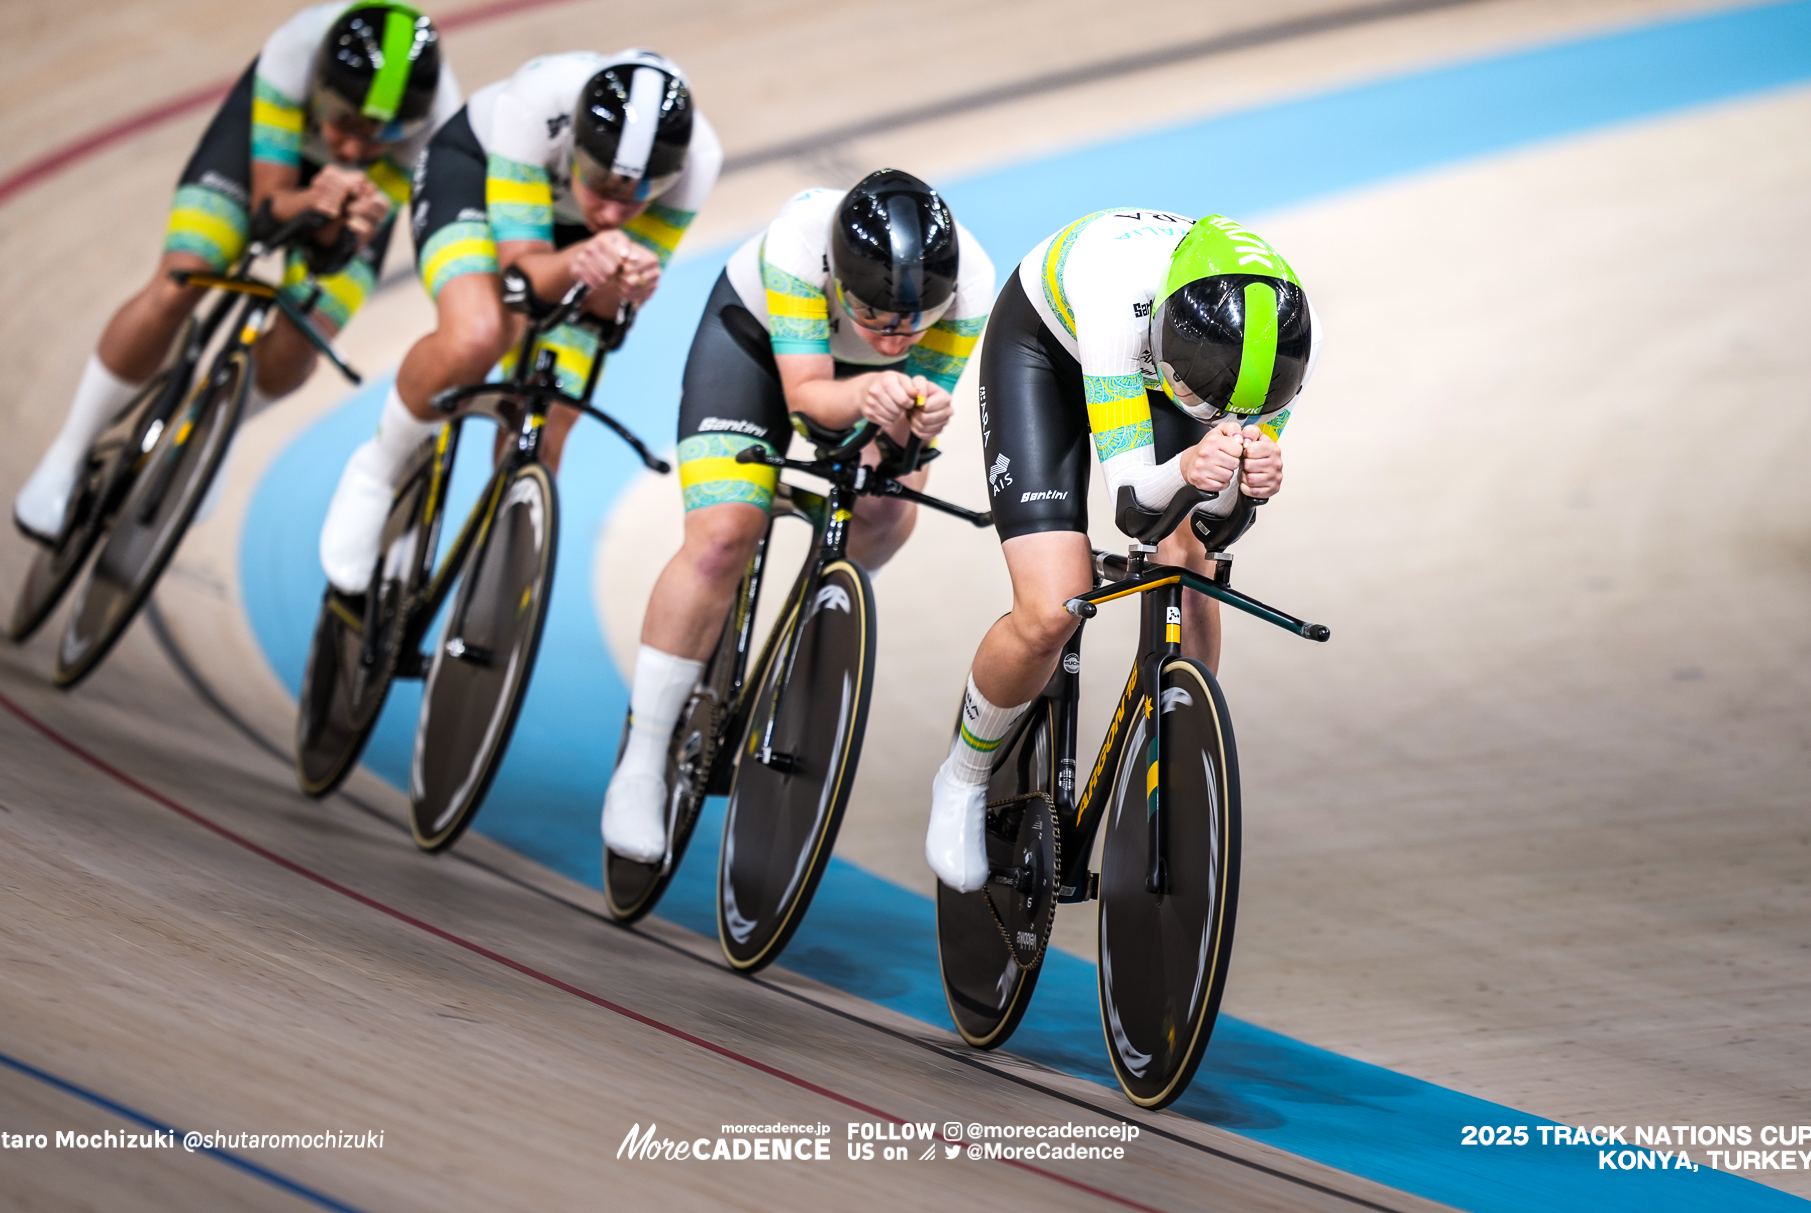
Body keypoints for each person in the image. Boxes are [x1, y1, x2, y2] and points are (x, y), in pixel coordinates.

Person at [601, 170, 996, 862]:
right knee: (724, 536)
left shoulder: (971, 284)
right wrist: (874, 384)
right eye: (875, 314)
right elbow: (809, 397)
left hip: (857, 385)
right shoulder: (796, 243)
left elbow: (909, 451)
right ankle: (643, 751)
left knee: (886, 506)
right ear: (838, 281)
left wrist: (917, 420)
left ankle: (815, 621)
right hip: (757, 348)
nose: (897, 332)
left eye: (915, 321)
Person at [924, 209, 1319, 890]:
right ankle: (962, 772)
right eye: (1205, 397)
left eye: (1237, 409)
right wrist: (1196, 470)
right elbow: (1136, 505)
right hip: (1047, 350)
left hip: (1182, 370)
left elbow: (1215, 530)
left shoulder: (1278, 347)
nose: (1222, 416)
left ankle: (1181, 766)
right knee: (1051, 608)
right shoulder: (1116, 293)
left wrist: (1248, 487)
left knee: (1192, 568)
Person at [14, 0, 461, 541]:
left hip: (346, 197)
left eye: (376, 138)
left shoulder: (435, 132)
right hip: (269, 165)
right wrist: (312, 197)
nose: (350, 147)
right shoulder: (295, 51)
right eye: (343, 124)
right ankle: (66, 454)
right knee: (180, 280)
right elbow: (265, 212)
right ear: (320, 88)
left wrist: (340, 224)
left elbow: (333, 252)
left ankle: (217, 433)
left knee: (306, 336)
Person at [316, 49, 722, 593]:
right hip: (479, 185)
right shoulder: (536, 104)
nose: (611, 211)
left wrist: (630, 286)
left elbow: (606, 316)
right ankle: (377, 468)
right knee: (480, 334)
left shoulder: (698, 162)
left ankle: (496, 595)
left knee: (551, 414)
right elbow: (519, 282)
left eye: (638, 195)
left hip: (571, 247)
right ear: (573, 146)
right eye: (600, 181)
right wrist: (582, 263)